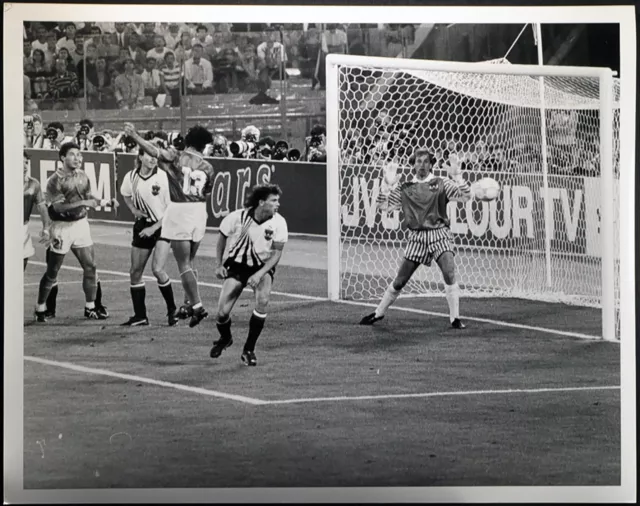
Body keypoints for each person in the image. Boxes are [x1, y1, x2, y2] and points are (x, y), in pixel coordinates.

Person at [359, 149, 471, 329]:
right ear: (413, 164)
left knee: (449, 272)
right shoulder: (405, 188)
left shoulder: (441, 183)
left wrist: (458, 177)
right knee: (400, 281)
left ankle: (455, 318)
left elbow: (466, 196)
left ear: (431, 164)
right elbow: (383, 206)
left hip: (439, 234)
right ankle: (378, 313)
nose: (422, 165)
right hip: (416, 238)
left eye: (426, 161)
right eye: (418, 161)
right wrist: (386, 185)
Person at [123, 122, 214, 328]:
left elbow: (155, 151)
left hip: (181, 210)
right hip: (200, 212)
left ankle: (197, 306)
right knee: (190, 261)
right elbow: (207, 192)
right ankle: (187, 303)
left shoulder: (177, 156)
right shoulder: (208, 167)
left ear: (188, 141)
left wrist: (135, 136)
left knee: (183, 264)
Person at [34, 142, 118, 322]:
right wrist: (83, 204)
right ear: (63, 158)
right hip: (62, 228)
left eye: (79, 155)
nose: (77, 158)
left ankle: (90, 307)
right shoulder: (55, 180)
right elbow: (58, 207)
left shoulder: (82, 175)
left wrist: (106, 202)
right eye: (73, 154)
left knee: (91, 266)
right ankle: (41, 306)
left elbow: (88, 197)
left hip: (81, 225)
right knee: (52, 271)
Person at [209, 184, 288, 366]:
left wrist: (259, 274)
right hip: (237, 266)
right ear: (261, 202)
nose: (278, 204)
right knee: (222, 313)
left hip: (262, 266)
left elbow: (276, 254)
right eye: (273, 200)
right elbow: (222, 237)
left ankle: (249, 349)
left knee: (263, 300)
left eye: (278, 200)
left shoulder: (279, 222)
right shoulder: (238, 217)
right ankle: (225, 338)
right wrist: (219, 264)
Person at [119, 142, 178, 326]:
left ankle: (172, 311)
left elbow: (172, 208)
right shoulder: (131, 177)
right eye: (148, 155)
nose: (153, 159)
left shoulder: (164, 177)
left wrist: (153, 228)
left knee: (157, 269)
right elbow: (125, 194)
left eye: (155, 156)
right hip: (142, 226)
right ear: (140, 157)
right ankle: (140, 316)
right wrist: (134, 211)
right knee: (135, 272)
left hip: (163, 226)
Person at [23, 150, 50, 270]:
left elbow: (42, 207)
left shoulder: (33, 184)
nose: (24, 167)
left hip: (22, 228)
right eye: (20, 163)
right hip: (6, 228)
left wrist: (46, 228)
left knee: (22, 262)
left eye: (26, 163)